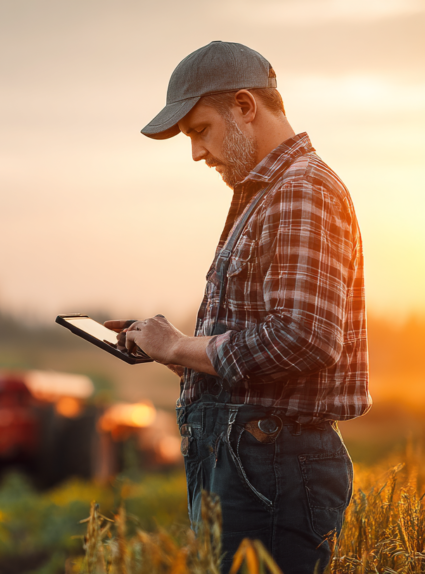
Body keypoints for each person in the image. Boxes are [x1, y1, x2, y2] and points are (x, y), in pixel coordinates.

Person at [105, 41, 370, 573]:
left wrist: (182, 345)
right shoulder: (267, 194)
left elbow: (305, 335)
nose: (197, 153)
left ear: (245, 107)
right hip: (254, 460)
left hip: (272, 464)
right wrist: (171, 349)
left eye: (200, 130)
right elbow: (263, 345)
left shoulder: (302, 190)